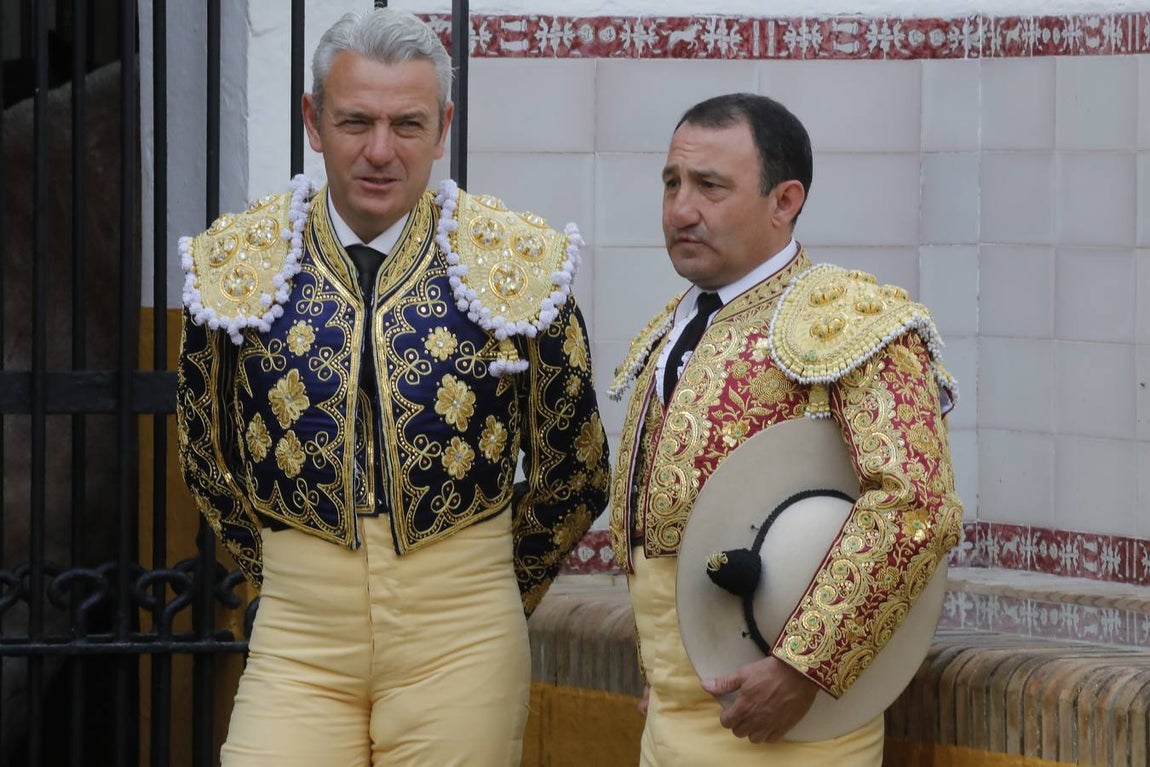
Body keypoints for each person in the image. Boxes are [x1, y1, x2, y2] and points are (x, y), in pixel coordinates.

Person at [175, 8, 610, 766]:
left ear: (442, 130)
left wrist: (486, 590)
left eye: (407, 125)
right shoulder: (236, 263)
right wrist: (290, 573)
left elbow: (575, 467)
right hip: (299, 635)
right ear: (314, 122)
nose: (381, 151)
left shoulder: (518, 264)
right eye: (355, 122)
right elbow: (204, 456)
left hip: (463, 628)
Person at [606, 93, 963, 766]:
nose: (681, 209)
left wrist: (802, 668)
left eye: (710, 187)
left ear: (785, 200)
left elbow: (917, 504)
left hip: (797, 725)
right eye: (672, 183)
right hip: (675, 722)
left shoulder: (853, 319)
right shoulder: (674, 327)